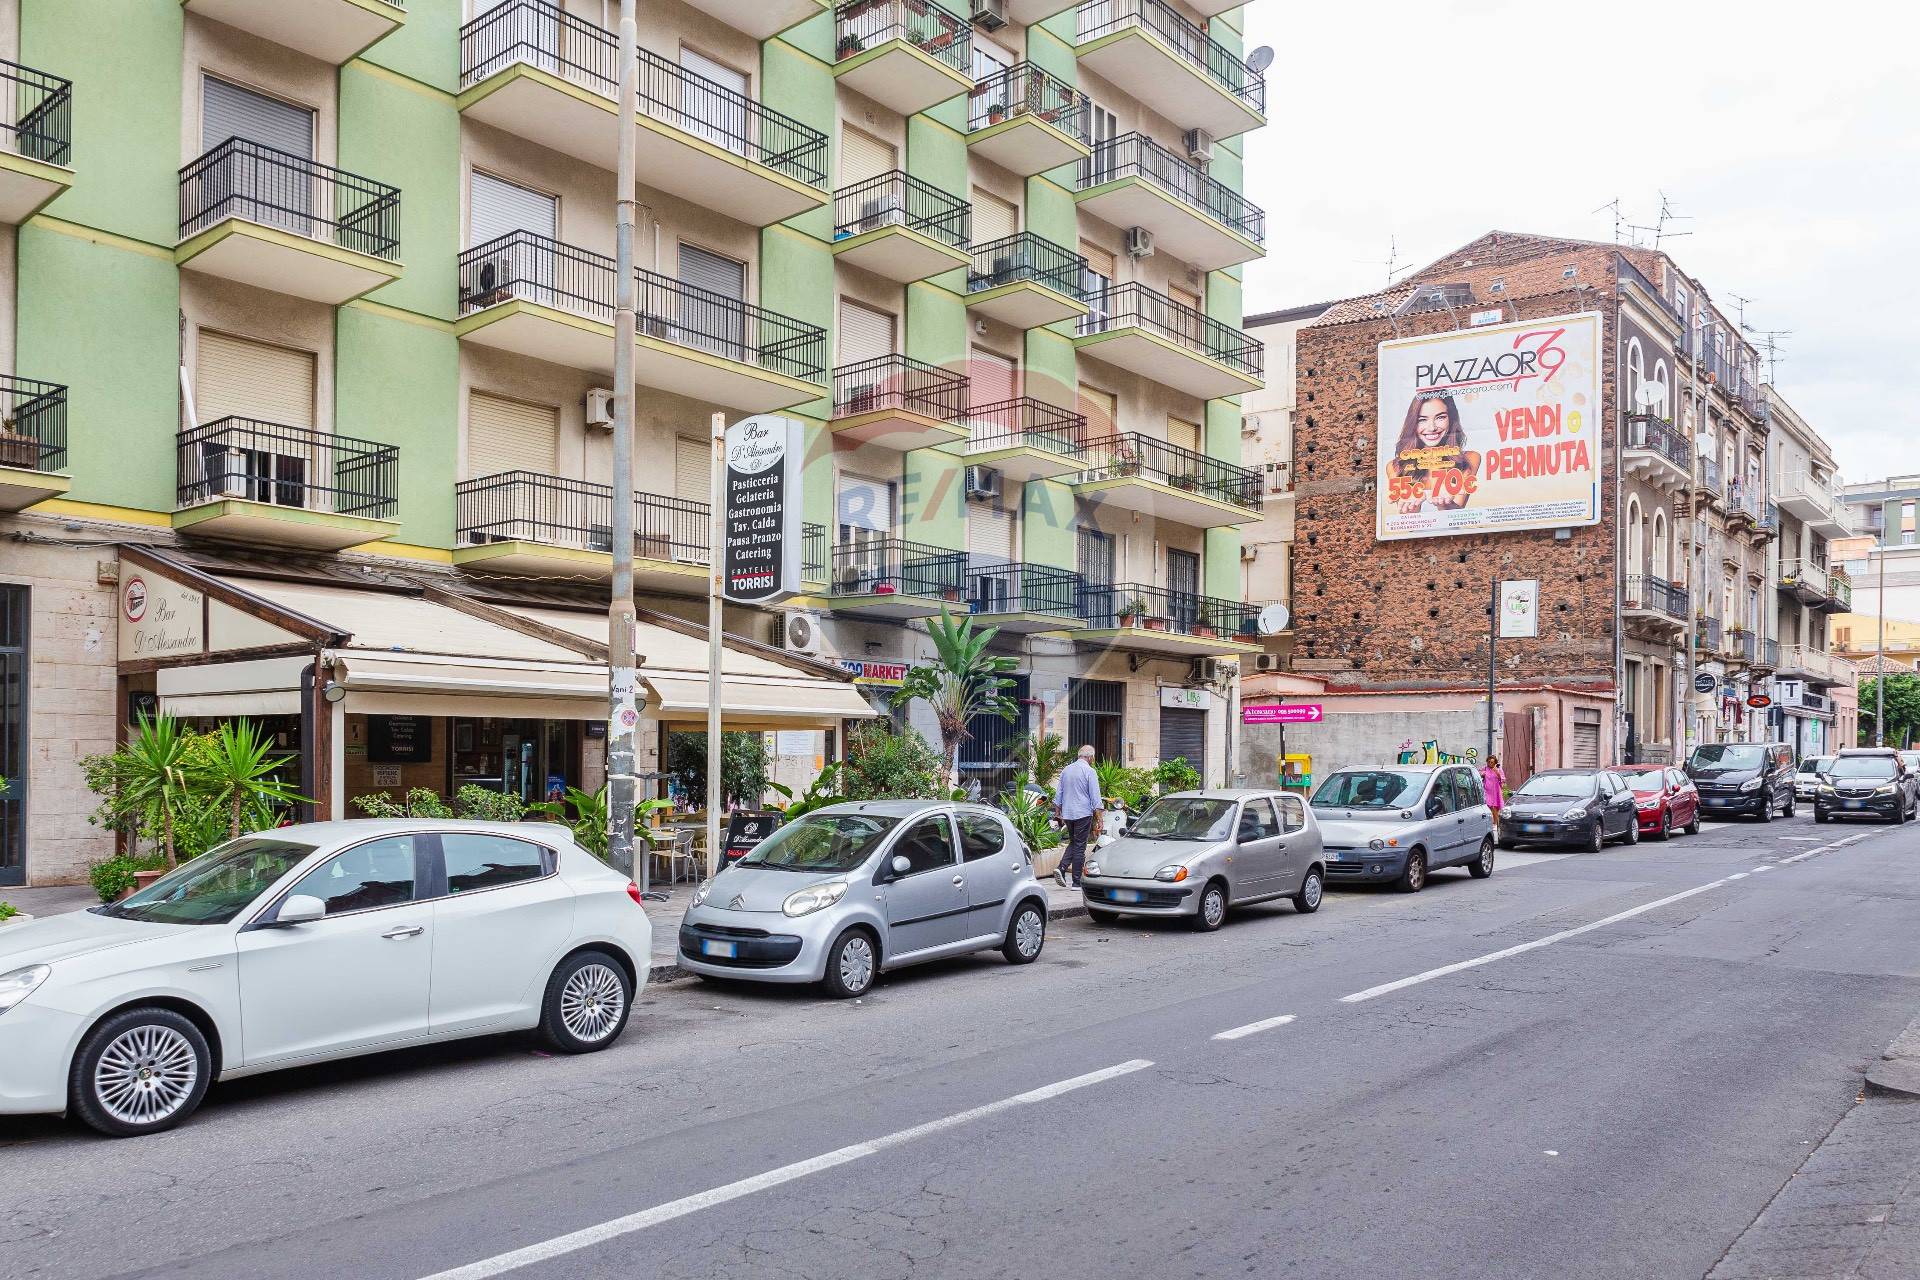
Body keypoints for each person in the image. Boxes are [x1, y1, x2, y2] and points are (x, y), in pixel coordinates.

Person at [1390, 393, 1478, 514]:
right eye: (1422, 420)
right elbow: (1408, 521)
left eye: (1440, 417)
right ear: (1413, 423)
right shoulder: (1395, 467)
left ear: (1451, 419)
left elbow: (1456, 514)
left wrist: (1445, 503)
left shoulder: (1469, 459)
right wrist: (1412, 508)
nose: (1432, 428)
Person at [1054, 744, 1101, 888]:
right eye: (1093, 757)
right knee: (1080, 845)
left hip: (1068, 813)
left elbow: (1059, 793)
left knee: (1075, 842)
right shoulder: (1090, 771)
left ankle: (1062, 868)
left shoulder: (1066, 770)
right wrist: (1099, 818)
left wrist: (1057, 812)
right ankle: (1076, 882)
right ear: (1090, 757)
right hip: (1083, 813)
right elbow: (1095, 797)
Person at [1481, 754, 1506, 819]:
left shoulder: (1498, 769)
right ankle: (1491, 822)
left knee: (1495, 809)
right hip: (1487, 791)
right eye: (1488, 762)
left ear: (1495, 763)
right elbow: (1480, 775)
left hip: (1495, 792)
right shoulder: (1485, 768)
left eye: (1492, 762)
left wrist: (1497, 772)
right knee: (1488, 807)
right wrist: (1482, 774)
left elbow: (1503, 780)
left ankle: (1495, 823)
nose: (1490, 763)